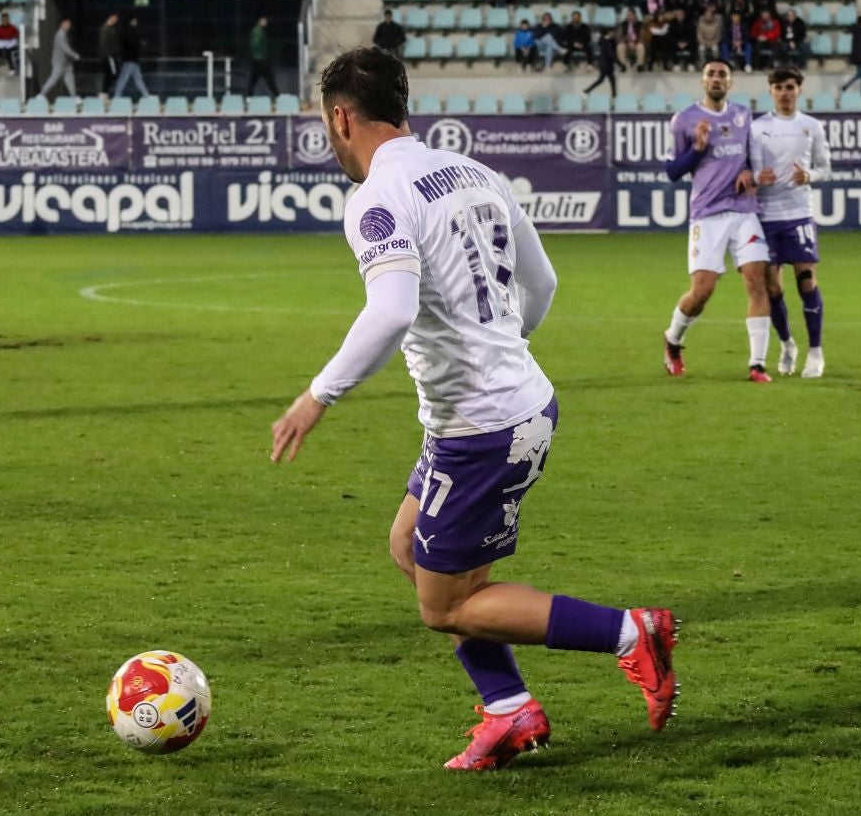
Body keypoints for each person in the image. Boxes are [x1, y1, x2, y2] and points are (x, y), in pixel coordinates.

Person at [268, 47, 679, 771]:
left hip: (482, 429)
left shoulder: (378, 197)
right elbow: (542, 282)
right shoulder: (476, 173)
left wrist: (315, 396)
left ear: (340, 117)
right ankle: (509, 710)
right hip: (503, 407)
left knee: (445, 606)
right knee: (408, 547)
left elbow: (390, 311)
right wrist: (498, 349)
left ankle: (630, 632)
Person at [661, 61, 772, 381]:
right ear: (702, 81)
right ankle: (673, 339)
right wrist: (697, 149)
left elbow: (752, 156)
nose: (716, 79)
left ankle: (757, 364)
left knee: (756, 280)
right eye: (711, 74)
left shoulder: (743, 116)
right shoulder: (685, 120)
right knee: (703, 290)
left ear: (730, 82)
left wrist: (750, 169)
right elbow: (672, 172)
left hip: (743, 210)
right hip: (707, 214)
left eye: (722, 74)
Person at [750, 68, 832, 378]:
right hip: (766, 217)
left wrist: (809, 175)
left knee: (807, 282)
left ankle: (815, 352)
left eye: (790, 87)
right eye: (778, 87)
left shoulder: (812, 126)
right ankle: (787, 344)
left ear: (799, 90)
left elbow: (826, 168)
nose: (784, 92)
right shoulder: (757, 129)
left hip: (799, 215)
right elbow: (750, 172)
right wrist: (759, 178)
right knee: (772, 288)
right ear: (770, 91)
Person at [38, 17, 78, 97]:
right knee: (53, 79)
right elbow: (65, 48)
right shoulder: (60, 35)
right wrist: (74, 55)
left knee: (70, 80)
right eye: (67, 25)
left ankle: (74, 96)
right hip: (59, 62)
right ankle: (41, 94)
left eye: (69, 25)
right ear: (63, 25)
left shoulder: (64, 34)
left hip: (66, 63)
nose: (69, 27)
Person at [114, 18, 150, 98]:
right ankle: (117, 95)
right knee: (124, 79)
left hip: (132, 60)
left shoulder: (128, 31)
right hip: (130, 60)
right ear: (131, 22)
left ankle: (146, 95)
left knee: (137, 79)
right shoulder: (130, 32)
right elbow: (131, 45)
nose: (136, 22)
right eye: (134, 21)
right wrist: (140, 44)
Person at [244, 16, 278, 95]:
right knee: (269, 79)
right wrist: (261, 55)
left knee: (254, 80)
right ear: (261, 21)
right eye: (265, 21)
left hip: (258, 59)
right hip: (260, 59)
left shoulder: (258, 31)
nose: (266, 23)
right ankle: (277, 95)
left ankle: (249, 96)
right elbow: (256, 44)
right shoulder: (258, 31)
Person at [584, 28, 618, 99]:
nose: (613, 34)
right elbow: (610, 54)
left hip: (605, 63)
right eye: (611, 33)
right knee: (603, 79)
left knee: (610, 79)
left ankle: (614, 95)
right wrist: (619, 64)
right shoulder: (604, 42)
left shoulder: (606, 41)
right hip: (605, 64)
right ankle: (587, 90)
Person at [97, 12, 121, 95]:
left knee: (111, 74)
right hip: (109, 56)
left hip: (111, 56)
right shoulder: (105, 29)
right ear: (110, 18)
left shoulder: (111, 29)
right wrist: (108, 54)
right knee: (112, 74)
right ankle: (104, 91)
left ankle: (105, 91)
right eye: (115, 19)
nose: (116, 21)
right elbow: (103, 43)